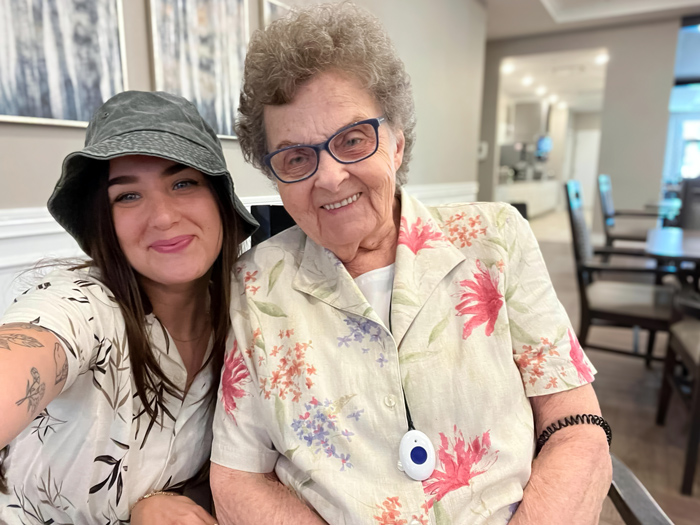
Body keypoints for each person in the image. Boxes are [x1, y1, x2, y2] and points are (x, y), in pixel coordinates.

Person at [210, 4, 613, 524]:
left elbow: (576, 423)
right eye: (295, 158)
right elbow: (237, 475)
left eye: (353, 140)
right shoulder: (256, 286)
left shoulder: (494, 240)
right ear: (275, 175)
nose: (329, 177)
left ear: (396, 142)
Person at [0, 91, 258, 524]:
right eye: (128, 197)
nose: (161, 217)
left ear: (218, 198)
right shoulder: (82, 307)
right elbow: (31, 350)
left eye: (183, 183)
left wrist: (150, 503)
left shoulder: (246, 316)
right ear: (106, 220)